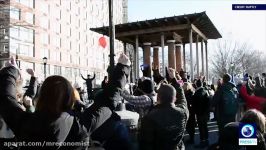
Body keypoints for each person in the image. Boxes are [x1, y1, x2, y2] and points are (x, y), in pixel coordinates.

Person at [0, 57, 112, 150]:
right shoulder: (80, 124)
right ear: (69, 97)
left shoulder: (25, 122)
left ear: (42, 96)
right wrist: (122, 68)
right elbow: (108, 101)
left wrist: (11, 71)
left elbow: (6, 98)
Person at [139, 68, 189, 150]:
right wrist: (173, 78)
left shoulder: (149, 118)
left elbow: (145, 144)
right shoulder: (183, 113)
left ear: (158, 98)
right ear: (175, 99)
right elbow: (182, 99)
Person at [213, 73, 239, 142]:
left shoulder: (220, 89)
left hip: (222, 115)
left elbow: (214, 102)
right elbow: (237, 101)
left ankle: (224, 145)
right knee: (232, 130)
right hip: (233, 114)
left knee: (223, 132)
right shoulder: (235, 89)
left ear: (223, 80)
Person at [192, 79, 210, 148]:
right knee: (205, 127)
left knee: (201, 128)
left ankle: (202, 142)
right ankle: (206, 141)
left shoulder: (197, 93)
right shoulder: (205, 91)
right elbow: (208, 103)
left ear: (196, 85)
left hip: (200, 113)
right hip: (205, 113)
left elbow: (194, 104)